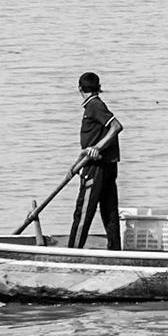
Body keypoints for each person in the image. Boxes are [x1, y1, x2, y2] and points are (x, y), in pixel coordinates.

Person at [68, 72, 125, 251]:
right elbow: (89, 145)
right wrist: (76, 164)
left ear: (79, 89)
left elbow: (116, 126)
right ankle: (115, 252)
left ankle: (73, 253)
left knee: (84, 211)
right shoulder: (94, 105)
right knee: (109, 211)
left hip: (97, 168)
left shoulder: (94, 105)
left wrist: (98, 148)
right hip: (103, 165)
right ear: (98, 87)